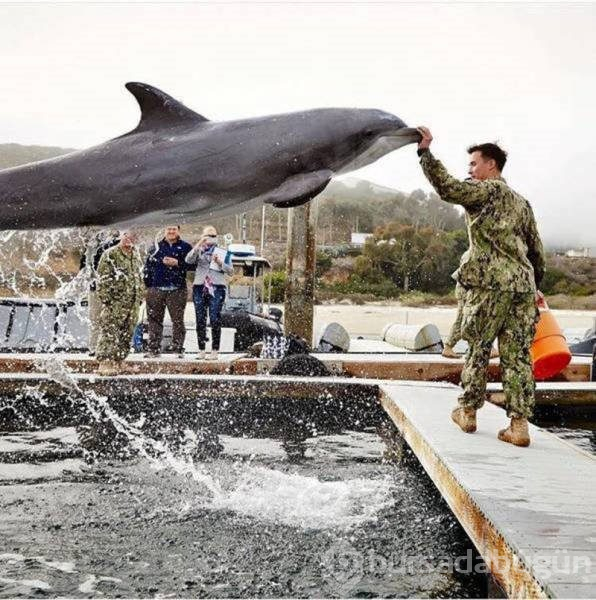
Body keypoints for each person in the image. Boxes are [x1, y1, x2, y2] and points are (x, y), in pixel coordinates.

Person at [417, 128, 545, 447]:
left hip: (489, 284)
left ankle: (468, 412)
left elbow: (447, 187)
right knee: (517, 356)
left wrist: (425, 153)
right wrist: (536, 285)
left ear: (491, 165)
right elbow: (536, 250)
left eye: (474, 164)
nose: (470, 170)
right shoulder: (522, 203)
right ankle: (518, 426)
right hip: (522, 286)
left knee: (478, 346)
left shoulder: (486, 191)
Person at [95, 229, 144, 375]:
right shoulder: (110, 254)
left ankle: (119, 361)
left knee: (127, 333)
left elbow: (138, 277)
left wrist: (140, 295)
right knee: (110, 332)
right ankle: (105, 363)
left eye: (133, 236)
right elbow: (102, 279)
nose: (130, 238)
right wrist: (108, 301)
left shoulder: (135, 255)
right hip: (115, 302)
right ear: (122, 236)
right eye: (127, 235)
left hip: (132, 303)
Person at [143, 225, 193, 358]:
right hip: (156, 288)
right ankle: (153, 349)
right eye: (168, 229)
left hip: (177, 289)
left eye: (174, 229)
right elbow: (147, 267)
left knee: (177, 321)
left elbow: (193, 266)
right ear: (164, 231)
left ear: (178, 231)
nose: (171, 231)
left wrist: (177, 263)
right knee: (154, 320)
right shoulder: (155, 247)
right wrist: (148, 286)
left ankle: (178, 349)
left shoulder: (186, 247)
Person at [185, 225, 233, 360]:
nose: (211, 238)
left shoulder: (223, 250)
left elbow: (230, 271)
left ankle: (215, 349)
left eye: (213, 236)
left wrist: (219, 262)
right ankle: (201, 349)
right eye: (208, 235)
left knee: (215, 318)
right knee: (200, 318)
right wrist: (199, 244)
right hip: (200, 286)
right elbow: (188, 260)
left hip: (217, 286)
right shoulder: (199, 250)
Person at [79, 230, 120, 355]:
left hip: (112, 288)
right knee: (95, 319)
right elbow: (83, 268)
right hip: (94, 288)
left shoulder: (116, 244)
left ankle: (110, 347)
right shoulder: (90, 248)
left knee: (111, 319)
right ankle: (93, 348)